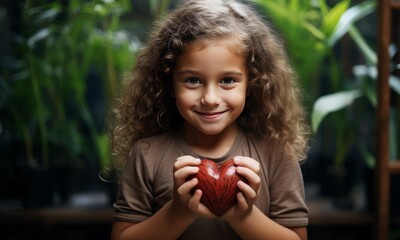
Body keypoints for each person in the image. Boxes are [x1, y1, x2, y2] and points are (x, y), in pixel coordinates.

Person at [109, 0, 310, 239]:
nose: (210, 99)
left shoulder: (276, 153)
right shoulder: (147, 154)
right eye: (193, 80)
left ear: (251, 83)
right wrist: (177, 213)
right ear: (169, 82)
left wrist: (243, 216)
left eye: (227, 80)